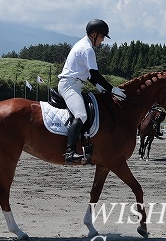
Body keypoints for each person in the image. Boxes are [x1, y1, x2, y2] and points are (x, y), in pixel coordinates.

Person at [58, 19, 126, 164]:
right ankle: (70, 152)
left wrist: (99, 87)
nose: (102, 41)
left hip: (75, 83)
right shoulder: (87, 49)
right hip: (69, 85)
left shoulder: (83, 45)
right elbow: (94, 74)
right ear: (94, 34)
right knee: (81, 115)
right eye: (102, 37)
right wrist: (111, 89)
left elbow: (89, 75)